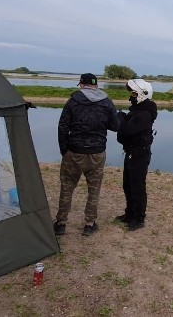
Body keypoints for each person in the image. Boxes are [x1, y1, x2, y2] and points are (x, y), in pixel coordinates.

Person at [53, 73, 121, 236]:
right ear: (96, 86)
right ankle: (89, 224)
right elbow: (116, 126)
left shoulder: (73, 101)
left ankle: (61, 223)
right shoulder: (107, 102)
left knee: (67, 187)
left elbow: (63, 127)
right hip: (96, 153)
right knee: (94, 189)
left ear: (82, 85)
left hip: (74, 152)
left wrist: (64, 150)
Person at [115, 78, 158, 231]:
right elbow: (127, 127)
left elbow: (127, 130)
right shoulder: (138, 112)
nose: (131, 96)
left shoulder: (144, 115)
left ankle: (138, 218)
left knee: (137, 187)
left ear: (141, 94)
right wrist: (123, 117)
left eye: (134, 93)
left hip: (139, 155)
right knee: (128, 184)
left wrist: (120, 117)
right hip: (132, 153)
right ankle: (129, 214)